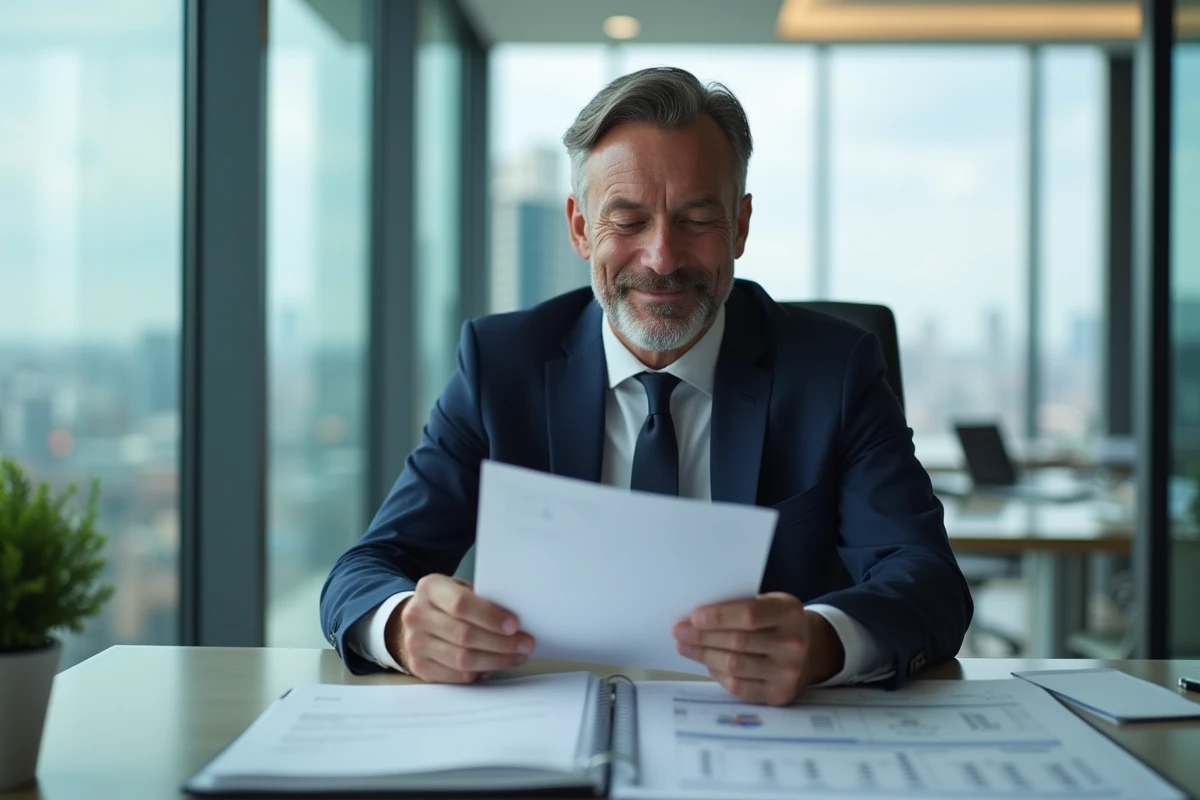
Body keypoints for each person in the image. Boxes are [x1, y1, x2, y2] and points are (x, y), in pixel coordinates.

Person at [321, 66, 972, 706]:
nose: (661, 259)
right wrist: (405, 627)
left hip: (760, 741)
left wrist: (824, 641)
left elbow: (928, 584)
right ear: (580, 228)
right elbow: (365, 569)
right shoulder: (501, 366)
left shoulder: (833, 370)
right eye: (628, 221)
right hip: (547, 730)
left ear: (739, 227)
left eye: (695, 219)